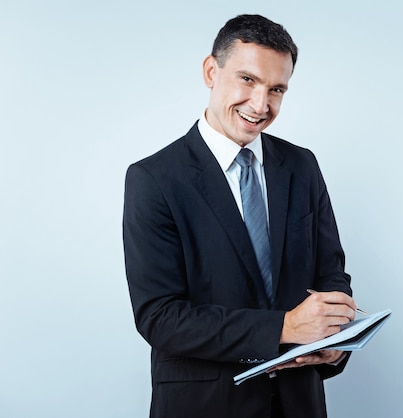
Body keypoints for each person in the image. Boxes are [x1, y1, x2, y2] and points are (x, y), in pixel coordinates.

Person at [123, 14, 358, 418]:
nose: (261, 105)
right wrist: (284, 328)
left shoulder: (302, 166)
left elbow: (331, 274)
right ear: (211, 71)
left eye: (277, 89)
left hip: (299, 401)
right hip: (204, 405)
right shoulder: (154, 178)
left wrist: (336, 336)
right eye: (247, 80)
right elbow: (160, 317)